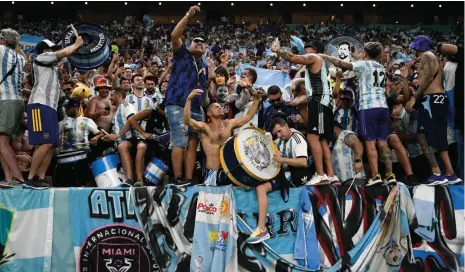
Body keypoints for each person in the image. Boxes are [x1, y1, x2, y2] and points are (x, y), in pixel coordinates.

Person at [320, 42, 396, 185]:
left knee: (370, 143)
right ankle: (390, 175)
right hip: (383, 107)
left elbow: (343, 64)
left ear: (365, 53)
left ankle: (375, 176)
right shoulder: (380, 67)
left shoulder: (364, 64)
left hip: (369, 107)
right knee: (383, 143)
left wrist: (325, 56)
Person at [271, 39, 338, 185]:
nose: (306, 51)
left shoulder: (314, 58)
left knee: (313, 138)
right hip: (325, 103)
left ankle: (320, 175)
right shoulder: (319, 63)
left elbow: (293, 58)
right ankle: (331, 175)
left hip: (319, 102)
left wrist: (278, 51)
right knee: (322, 140)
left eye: (309, 48)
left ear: (315, 50)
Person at [26, 36, 83, 187]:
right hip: (39, 105)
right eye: (51, 49)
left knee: (51, 144)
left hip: (50, 107)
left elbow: (65, 55)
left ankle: (41, 177)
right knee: (44, 143)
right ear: (45, 51)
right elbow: (63, 53)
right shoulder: (42, 57)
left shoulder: (51, 68)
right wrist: (76, 44)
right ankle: (31, 178)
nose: (53, 51)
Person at [406, 35, 461, 184]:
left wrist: (414, 98)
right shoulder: (433, 57)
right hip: (438, 99)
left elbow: (429, 77)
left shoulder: (427, 56)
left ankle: (437, 173)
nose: (414, 50)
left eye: (415, 47)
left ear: (419, 47)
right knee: (438, 138)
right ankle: (450, 173)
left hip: (430, 100)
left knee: (422, 136)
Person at [165, 5, 209, 186]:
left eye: (202, 42)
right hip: (177, 104)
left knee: (193, 143)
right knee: (180, 140)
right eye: (195, 41)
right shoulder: (182, 54)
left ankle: (189, 179)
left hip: (196, 108)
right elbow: (174, 35)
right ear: (188, 45)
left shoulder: (205, 66)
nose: (199, 43)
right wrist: (188, 15)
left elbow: (205, 92)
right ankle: (177, 178)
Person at [183, 88, 263, 186]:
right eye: (216, 107)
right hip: (211, 174)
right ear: (209, 113)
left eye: (220, 107)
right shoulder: (204, 127)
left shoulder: (229, 124)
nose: (220, 108)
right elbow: (188, 121)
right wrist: (188, 100)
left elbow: (248, 117)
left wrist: (256, 100)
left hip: (228, 173)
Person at [247, 117, 308, 244]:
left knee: (261, 188)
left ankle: (261, 229)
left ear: (286, 126)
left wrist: (282, 160)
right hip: (282, 173)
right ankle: (261, 229)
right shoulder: (279, 140)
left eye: (280, 131)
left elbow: (303, 162)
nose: (279, 136)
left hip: (294, 175)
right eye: (276, 134)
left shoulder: (298, 139)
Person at [56, 97, 104, 187]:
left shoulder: (87, 121)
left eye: (68, 108)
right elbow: (55, 137)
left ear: (76, 107)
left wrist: (96, 137)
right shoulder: (61, 123)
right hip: (64, 159)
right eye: (65, 108)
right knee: (64, 186)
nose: (66, 110)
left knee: (86, 184)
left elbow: (101, 133)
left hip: (83, 158)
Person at [0, 28, 27, 186]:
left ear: (4, 41)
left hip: (7, 100)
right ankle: (9, 178)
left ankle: (18, 178)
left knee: (2, 143)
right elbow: (20, 51)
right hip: (16, 101)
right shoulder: (21, 58)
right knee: (3, 143)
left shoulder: (1, 50)